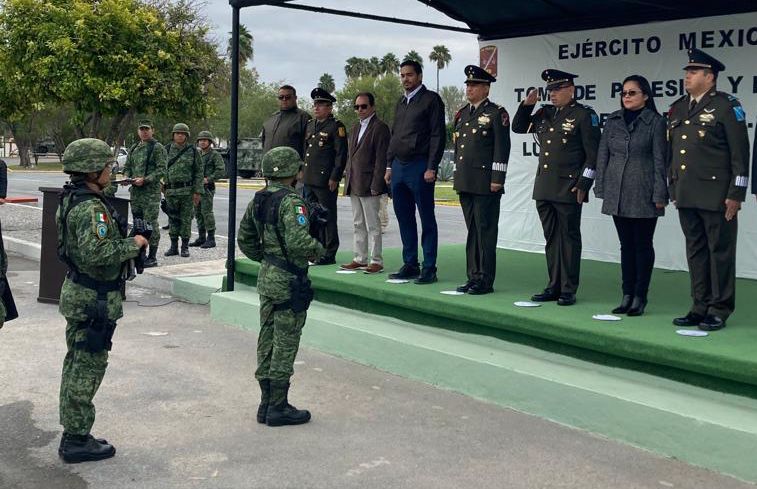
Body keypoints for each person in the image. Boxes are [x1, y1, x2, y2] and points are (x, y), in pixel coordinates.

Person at [56, 138, 148, 463]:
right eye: (107, 166)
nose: (111, 171)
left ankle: (75, 431)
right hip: (93, 298)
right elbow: (99, 252)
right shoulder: (90, 209)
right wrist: (134, 243)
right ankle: (76, 440)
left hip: (80, 293)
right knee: (87, 367)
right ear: (93, 171)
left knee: (77, 363)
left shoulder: (74, 197)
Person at [237, 146, 325, 427]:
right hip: (289, 280)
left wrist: (266, 258)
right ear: (292, 171)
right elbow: (300, 242)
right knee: (285, 343)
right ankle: (278, 406)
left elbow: (245, 238)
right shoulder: (292, 202)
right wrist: (318, 249)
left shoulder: (260, 199)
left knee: (267, 338)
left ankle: (265, 403)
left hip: (268, 276)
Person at [668, 49, 750, 331]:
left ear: (710, 77)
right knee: (696, 251)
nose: (687, 77)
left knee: (721, 252)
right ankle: (699, 305)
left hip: (717, 195)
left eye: (693, 72)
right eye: (686, 72)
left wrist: (736, 194)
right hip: (687, 193)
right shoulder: (678, 107)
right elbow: (673, 152)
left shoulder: (727, 106)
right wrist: (673, 187)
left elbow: (741, 155)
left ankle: (719, 308)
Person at [512, 69, 601, 305]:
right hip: (545, 186)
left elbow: (594, 155)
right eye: (550, 90)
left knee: (569, 239)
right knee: (551, 238)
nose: (552, 94)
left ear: (571, 89)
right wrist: (526, 106)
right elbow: (519, 127)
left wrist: (584, 183)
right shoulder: (545, 113)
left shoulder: (583, 115)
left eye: (557, 89)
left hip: (569, 187)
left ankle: (568, 289)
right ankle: (553, 285)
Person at [594, 75, 668, 316]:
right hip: (617, 191)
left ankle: (640, 296)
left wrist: (660, 193)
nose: (626, 96)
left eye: (632, 92)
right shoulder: (613, 121)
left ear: (645, 96)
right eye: (624, 92)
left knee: (642, 245)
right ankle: (626, 294)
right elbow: (602, 155)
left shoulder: (655, 122)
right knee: (626, 245)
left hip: (644, 190)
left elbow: (660, 161)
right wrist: (602, 187)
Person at [384, 59, 446, 284]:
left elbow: (438, 135)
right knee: (404, 217)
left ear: (419, 76)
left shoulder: (431, 100)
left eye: (409, 75)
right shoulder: (401, 102)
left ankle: (429, 267)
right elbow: (394, 135)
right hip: (399, 166)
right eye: (402, 75)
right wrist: (389, 165)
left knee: (426, 217)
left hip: (420, 165)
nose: (405, 79)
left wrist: (432, 166)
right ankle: (410, 263)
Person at [452, 65, 511, 295]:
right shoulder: (462, 114)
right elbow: (459, 148)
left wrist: (498, 178)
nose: (469, 89)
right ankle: (473, 276)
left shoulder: (497, 113)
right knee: (472, 231)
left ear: (486, 89)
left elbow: (501, 148)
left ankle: (485, 280)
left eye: (474, 85)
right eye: (468, 85)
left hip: (486, 182)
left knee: (485, 231)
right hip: (466, 181)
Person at [341, 92, 391, 274]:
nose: (360, 110)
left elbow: (381, 159)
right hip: (354, 182)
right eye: (357, 107)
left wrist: (377, 184)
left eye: (363, 106)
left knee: (373, 225)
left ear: (373, 107)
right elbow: (351, 156)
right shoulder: (354, 128)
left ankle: (376, 260)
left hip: (370, 184)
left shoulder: (380, 128)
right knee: (357, 223)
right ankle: (359, 258)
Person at [302, 87, 347, 265]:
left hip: (325, 180)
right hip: (309, 179)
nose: (316, 108)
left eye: (321, 105)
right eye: (315, 104)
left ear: (329, 108)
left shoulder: (336, 126)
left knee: (327, 216)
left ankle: (329, 252)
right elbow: (307, 151)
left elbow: (341, 154)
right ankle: (315, 250)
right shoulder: (311, 124)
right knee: (311, 216)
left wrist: (335, 177)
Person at [119, 119, 166, 267]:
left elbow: (161, 170)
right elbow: (127, 166)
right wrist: (126, 177)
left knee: (150, 223)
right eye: (141, 129)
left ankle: (152, 256)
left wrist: (145, 179)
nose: (144, 132)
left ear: (153, 130)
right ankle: (140, 253)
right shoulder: (134, 148)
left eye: (147, 129)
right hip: (136, 193)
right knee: (138, 224)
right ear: (138, 131)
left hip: (150, 193)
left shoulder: (157, 148)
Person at [163, 123, 203, 258]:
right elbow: (160, 169)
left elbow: (198, 172)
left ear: (186, 136)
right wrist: (161, 186)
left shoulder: (193, 151)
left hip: (187, 191)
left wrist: (197, 192)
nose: (180, 135)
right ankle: (173, 246)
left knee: (186, 220)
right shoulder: (166, 150)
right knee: (173, 219)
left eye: (182, 133)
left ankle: (185, 247)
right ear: (173, 135)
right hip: (171, 191)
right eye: (177, 133)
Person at [189, 131, 226, 249]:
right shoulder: (197, 154)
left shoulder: (214, 155)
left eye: (205, 140)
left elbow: (221, 170)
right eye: (200, 140)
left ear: (210, 142)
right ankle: (201, 237)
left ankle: (211, 238)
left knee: (207, 213)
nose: (202, 142)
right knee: (198, 213)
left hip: (207, 188)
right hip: (196, 188)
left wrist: (208, 179)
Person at [261, 85, 312, 158]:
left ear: (295, 98)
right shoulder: (271, 118)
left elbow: (308, 147)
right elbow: (263, 142)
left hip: (291, 167)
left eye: (288, 97)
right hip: (269, 166)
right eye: (281, 97)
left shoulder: (303, 117)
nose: (284, 99)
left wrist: (302, 168)